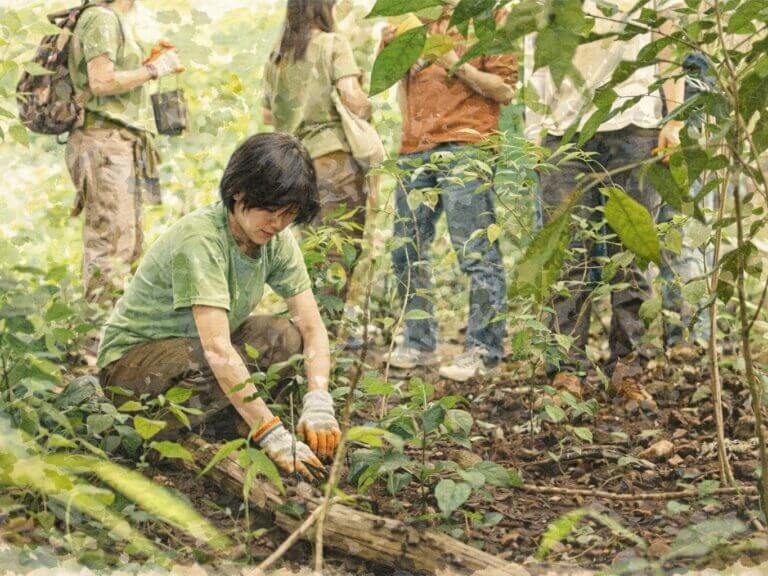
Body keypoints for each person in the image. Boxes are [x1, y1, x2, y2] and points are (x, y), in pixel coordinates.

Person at [97, 133, 340, 480]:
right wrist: (271, 433)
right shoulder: (201, 240)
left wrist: (319, 400)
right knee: (212, 363)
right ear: (239, 191)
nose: (278, 223)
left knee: (286, 336)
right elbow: (218, 351)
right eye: (270, 210)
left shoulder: (277, 240)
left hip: (196, 356)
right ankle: (157, 435)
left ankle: (224, 423)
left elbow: (312, 327)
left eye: (289, 214)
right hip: (132, 366)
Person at [524, 0, 686, 402]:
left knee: (631, 253)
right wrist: (534, 132)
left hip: (635, 123)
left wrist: (676, 117)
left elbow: (668, 38)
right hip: (564, 129)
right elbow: (536, 50)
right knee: (566, 254)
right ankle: (566, 370)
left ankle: (627, 369)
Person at [384, 7, 517, 382]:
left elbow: (504, 89)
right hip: (415, 148)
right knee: (405, 248)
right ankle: (418, 342)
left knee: (475, 248)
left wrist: (454, 62)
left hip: (467, 143)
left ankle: (483, 349)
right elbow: (395, 84)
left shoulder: (489, 16)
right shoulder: (411, 17)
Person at [262, 0, 372, 337]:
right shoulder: (332, 43)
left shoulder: (278, 56)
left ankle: (300, 338)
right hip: (331, 161)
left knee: (305, 256)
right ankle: (328, 344)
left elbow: (268, 116)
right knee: (338, 255)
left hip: (292, 167)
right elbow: (353, 99)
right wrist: (367, 100)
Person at [65, 0, 183, 306]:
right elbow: (101, 81)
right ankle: (95, 344)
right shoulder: (102, 18)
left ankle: (116, 338)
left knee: (127, 246)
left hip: (121, 142)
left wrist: (147, 64)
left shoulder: (116, 18)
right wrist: (153, 69)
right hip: (104, 141)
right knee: (110, 246)